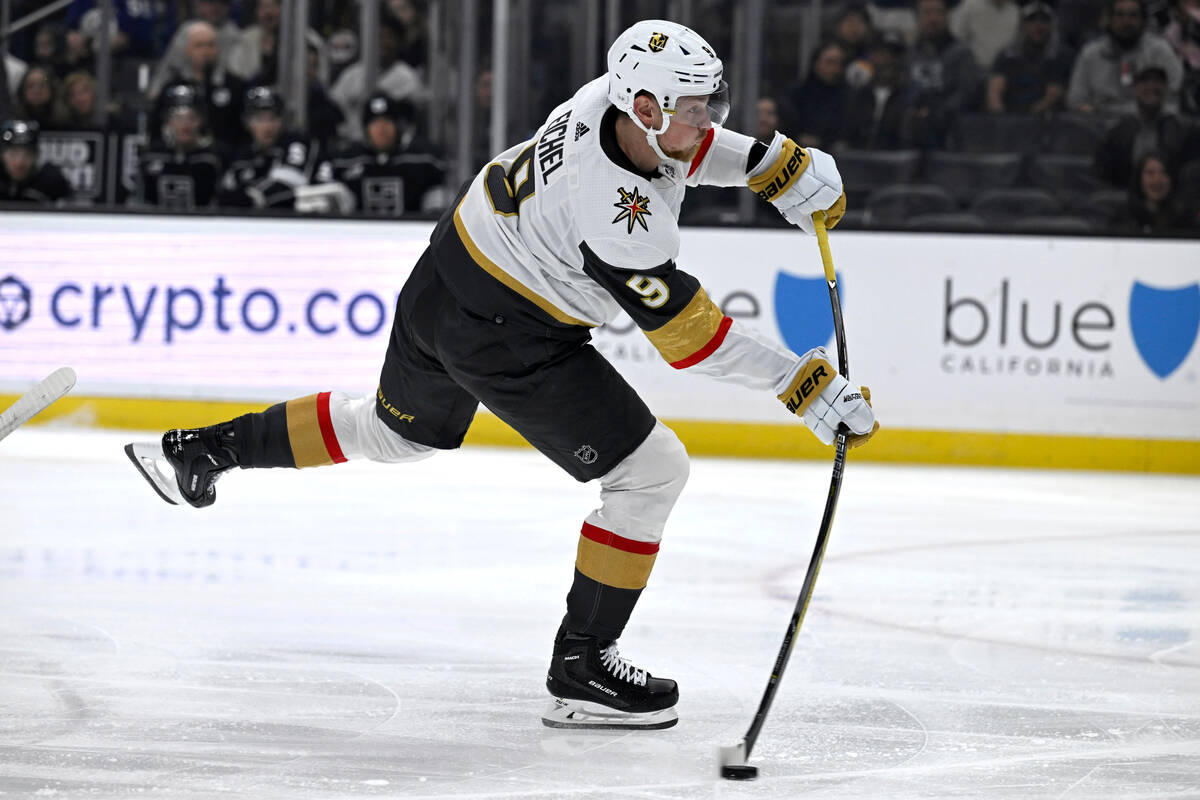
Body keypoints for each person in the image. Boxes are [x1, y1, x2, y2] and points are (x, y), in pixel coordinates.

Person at [124, 19, 877, 731]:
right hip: (509, 331)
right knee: (651, 473)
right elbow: (692, 338)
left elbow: (686, 149)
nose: (707, 120)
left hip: (447, 271)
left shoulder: (606, 99)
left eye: (713, 103)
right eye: (693, 107)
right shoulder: (620, 221)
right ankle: (581, 666)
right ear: (644, 108)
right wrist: (802, 385)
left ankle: (200, 449)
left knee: (392, 434)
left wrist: (771, 165)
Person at [314, 91, 446, 215]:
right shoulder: (344, 161)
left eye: (387, 122)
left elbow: (443, 189)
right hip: (356, 231)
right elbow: (321, 188)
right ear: (366, 129)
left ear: (398, 126)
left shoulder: (425, 158)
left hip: (414, 231)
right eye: (375, 123)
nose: (381, 129)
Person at [218, 85, 326, 210]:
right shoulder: (242, 157)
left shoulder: (296, 143)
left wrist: (251, 197)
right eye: (259, 119)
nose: (267, 126)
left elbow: (289, 182)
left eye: (272, 118)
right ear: (246, 122)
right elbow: (226, 193)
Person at [1067, 0, 1184, 115]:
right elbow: (1076, 100)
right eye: (1120, 15)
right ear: (1110, 19)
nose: (1126, 21)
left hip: (1151, 121)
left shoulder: (1160, 51)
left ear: (1143, 20)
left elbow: (1175, 95)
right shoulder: (1091, 54)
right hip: (1102, 121)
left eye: (1133, 15)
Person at [1094, 65, 1198, 187]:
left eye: (1158, 81)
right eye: (1145, 81)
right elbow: (1101, 175)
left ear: (1166, 88)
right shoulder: (1117, 133)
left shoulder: (1185, 131)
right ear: (1134, 88)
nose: (1151, 86)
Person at [151, 22, 247, 148]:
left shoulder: (235, 86)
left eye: (210, 45)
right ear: (187, 50)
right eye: (199, 45)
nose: (206, 51)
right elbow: (156, 131)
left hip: (225, 154)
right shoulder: (172, 88)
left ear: (218, 49)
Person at [905, 0, 982, 148]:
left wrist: (936, 113)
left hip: (949, 132)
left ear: (947, 16)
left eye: (939, 12)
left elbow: (966, 93)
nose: (933, 18)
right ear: (917, 18)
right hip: (911, 130)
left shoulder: (962, 54)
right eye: (927, 13)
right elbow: (904, 89)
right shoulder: (909, 55)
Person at [136, 83, 225, 209]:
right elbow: (137, 202)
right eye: (178, 118)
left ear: (201, 121)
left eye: (192, 118)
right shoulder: (150, 157)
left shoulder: (212, 159)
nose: (185, 125)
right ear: (167, 121)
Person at [986, 2, 1076, 113]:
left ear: (1051, 25)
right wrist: (999, 116)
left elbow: (1054, 93)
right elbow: (994, 95)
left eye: (1044, 21)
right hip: (1009, 117)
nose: (1038, 26)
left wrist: (1033, 116)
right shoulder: (1006, 56)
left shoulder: (1060, 56)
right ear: (1022, 25)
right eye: (1032, 20)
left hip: (1045, 118)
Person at [789, 42, 852, 149]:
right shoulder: (797, 93)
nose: (835, 69)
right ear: (816, 63)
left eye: (839, 64)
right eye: (829, 63)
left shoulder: (847, 96)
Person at [1115, 150, 1196, 231]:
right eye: (1150, 173)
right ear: (1139, 178)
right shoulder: (1123, 217)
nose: (1157, 180)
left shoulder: (1185, 219)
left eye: (1164, 172)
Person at [0, 119, 73, 205]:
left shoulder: (52, 182)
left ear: (36, 155)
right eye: (13, 154)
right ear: (2, 154)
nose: (19, 162)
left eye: (28, 154)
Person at [949, 0, 1020, 70]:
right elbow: (956, 35)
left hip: (1001, 71)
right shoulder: (971, 4)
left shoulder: (1014, 11)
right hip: (970, 68)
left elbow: (1013, 45)